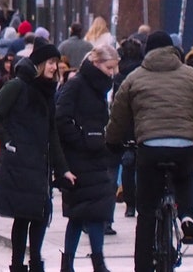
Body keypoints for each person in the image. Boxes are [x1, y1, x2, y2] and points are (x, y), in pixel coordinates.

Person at [106, 30, 193, 272]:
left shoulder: (135, 78)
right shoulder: (192, 76)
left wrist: (113, 141)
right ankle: (187, 215)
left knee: (146, 212)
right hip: (185, 145)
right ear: (173, 51)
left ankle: (143, 267)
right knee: (185, 176)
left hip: (150, 147)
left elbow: (118, 114)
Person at [0, 41, 72, 272]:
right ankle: (17, 264)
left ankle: (35, 262)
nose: (55, 67)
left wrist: (62, 168)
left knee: (41, 213)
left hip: (39, 164)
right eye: (52, 63)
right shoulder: (17, 86)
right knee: (24, 215)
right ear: (40, 64)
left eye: (57, 63)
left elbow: (51, 132)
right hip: (20, 162)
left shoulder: (47, 92)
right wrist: (9, 140)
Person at [56, 44, 120, 272]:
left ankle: (96, 261)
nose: (111, 73)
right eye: (108, 67)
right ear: (96, 63)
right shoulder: (77, 85)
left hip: (96, 155)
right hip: (78, 158)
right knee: (79, 213)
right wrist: (81, 140)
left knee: (97, 211)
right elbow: (61, 118)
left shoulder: (99, 88)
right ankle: (72, 263)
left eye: (114, 68)